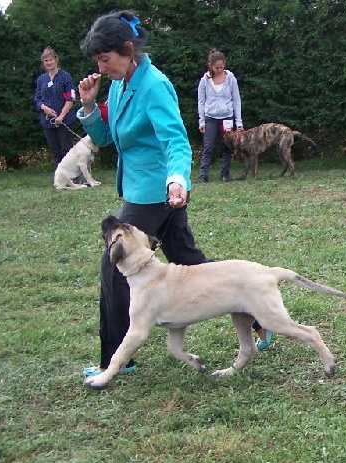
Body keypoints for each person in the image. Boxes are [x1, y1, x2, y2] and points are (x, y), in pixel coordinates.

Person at [76, 10, 271, 378]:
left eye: (106, 59)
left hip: (157, 191)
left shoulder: (154, 84)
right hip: (146, 188)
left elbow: (175, 140)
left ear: (127, 49)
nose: (102, 68)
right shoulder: (118, 84)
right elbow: (107, 140)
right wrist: (88, 106)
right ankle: (259, 313)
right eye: (98, 62)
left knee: (114, 265)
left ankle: (117, 362)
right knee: (190, 260)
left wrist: (177, 179)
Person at [197, 49, 243, 182]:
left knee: (227, 146)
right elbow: (201, 101)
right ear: (210, 65)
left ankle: (225, 174)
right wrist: (202, 121)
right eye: (216, 67)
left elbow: (236, 100)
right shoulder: (204, 81)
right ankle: (203, 175)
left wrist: (239, 122)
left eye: (221, 67)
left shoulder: (231, 79)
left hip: (227, 117)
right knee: (208, 146)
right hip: (210, 117)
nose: (219, 70)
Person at [34, 47, 77, 170]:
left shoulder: (65, 76)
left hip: (64, 120)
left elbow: (71, 98)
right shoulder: (42, 79)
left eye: (51, 60)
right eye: (46, 61)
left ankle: (72, 176)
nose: (49, 63)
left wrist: (61, 116)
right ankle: (59, 177)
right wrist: (44, 108)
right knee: (55, 150)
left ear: (56, 60)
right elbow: (37, 98)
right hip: (48, 121)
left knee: (66, 150)